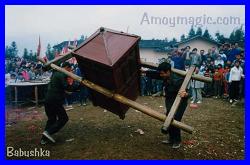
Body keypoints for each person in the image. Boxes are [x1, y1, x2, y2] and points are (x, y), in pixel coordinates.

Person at [145, 62, 189, 149]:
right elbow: (156, 75)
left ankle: (177, 141)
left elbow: (187, 92)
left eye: (162, 73)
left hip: (180, 103)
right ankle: (171, 138)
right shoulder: (165, 76)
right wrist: (144, 72)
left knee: (175, 120)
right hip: (169, 101)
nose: (161, 75)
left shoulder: (177, 80)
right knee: (168, 118)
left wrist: (186, 94)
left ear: (168, 72)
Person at [41, 62, 75, 145]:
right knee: (64, 118)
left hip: (48, 99)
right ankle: (48, 132)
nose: (70, 71)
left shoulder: (55, 73)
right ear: (67, 67)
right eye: (69, 70)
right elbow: (66, 87)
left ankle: (43, 139)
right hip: (55, 100)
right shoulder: (62, 74)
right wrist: (72, 86)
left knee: (51, 119)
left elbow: (59, 87)